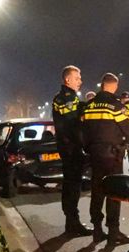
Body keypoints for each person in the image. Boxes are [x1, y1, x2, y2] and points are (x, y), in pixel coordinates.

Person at [82, 73, 129, 243]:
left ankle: (97, 230)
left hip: (94, 155)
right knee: (114, 192)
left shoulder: (89, 106)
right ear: (115, 86)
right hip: (113, 157)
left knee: (97, 192)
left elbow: (83, 131)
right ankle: (113, 232)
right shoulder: (115, 106)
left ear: (102, 85)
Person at [52, 65, 91, 236]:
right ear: (68, 79)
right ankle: (72, 224)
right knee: (72, 187)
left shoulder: (69, 98)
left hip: (71, 147)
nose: (80, 81)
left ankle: (72, 223)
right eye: (77, 78)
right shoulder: (65, 98)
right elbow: (71, 123)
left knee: (72, 186)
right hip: (70, 148)